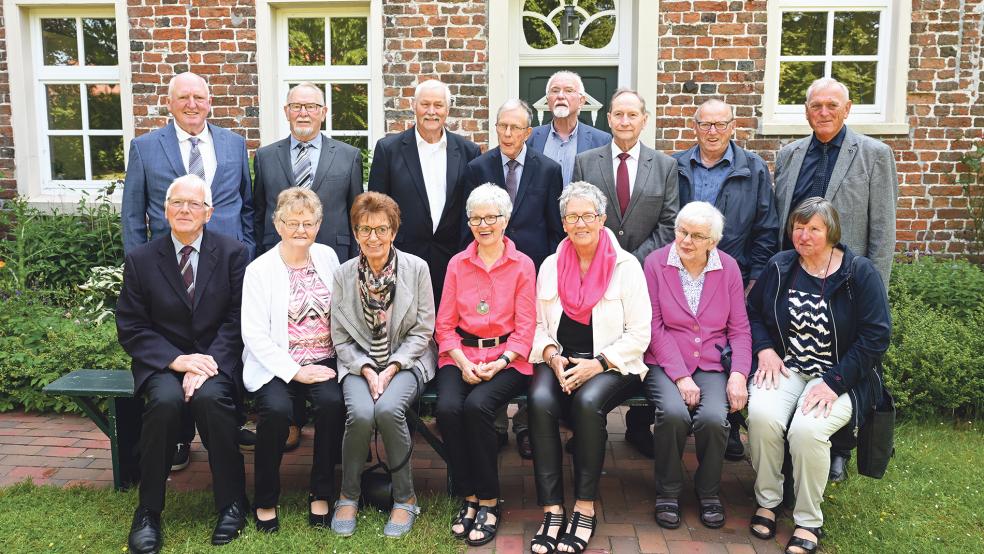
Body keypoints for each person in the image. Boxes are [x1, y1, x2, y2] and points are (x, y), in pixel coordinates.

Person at [121, 71, 256, 468]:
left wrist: (247, 254)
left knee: (230, 340)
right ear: (170, 103)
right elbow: (132, 215)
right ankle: (179, 437)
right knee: (177, 341)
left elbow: (246, 205)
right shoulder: (146, 148)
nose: (192, 104)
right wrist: (138, 267)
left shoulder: (233, 143)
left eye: (199, 96)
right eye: (184, 97)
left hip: (227, 266)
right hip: (170, 270)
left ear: (210, 102)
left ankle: (224, 423)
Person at [745, 198, 891, 554]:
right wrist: (764, 348)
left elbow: (876, 337)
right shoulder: (781, 267)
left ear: (831, 233)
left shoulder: (859, 273)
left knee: (807, 431)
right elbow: (752, 313)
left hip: (840, 375)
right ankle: (768, 500)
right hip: (788, 365)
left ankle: (808, 520)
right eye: (798, 227)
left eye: (813, 229)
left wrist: (834, 382)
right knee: (762, 415)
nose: (803, 235)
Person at [773, 77, 899, 481]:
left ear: (848, 110)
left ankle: (839, 447)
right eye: (816, 106)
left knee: (842, 358)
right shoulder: (789, 153)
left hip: (847, 280)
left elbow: (882, 229)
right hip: (797, 274)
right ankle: (788, 435)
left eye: (832, 105)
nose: (823, 112)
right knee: (798, 358)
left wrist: (872, 288)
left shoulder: (874, 155)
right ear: (806, 111)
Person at [116, 174, 249, 553]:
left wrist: (205, 364)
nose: (185, 210)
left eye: (194, 204)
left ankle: (232, 503)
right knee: (165, 403)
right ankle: (148, 511)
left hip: (215, 361)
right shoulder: (142, 260)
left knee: (211, 401)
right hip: (163, 364)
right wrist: (177, 361)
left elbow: (238, 319)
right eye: (177, 203)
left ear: (209, 213)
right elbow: (131, 326)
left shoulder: (232, 253)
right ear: (165, 210)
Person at [527, 182, 652, 554]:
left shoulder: (627, 266)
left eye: (587, 215)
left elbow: (639, 334)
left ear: (602, 219)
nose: (579, 223)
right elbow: (535, 324)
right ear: (563, 222)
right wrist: (550, 354)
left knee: (586, 404)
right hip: (561, 359)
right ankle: (551, 508)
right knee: (538, 400)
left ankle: (584, 506)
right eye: (572, 216)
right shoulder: (550, 265)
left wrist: (597, 365)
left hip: (613, 363)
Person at [572, 88, 679, 458]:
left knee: (639, 340)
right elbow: (580, 212)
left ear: (644, 120)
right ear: (608, 118)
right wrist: (604, 257)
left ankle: (638, 425)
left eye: (633, 115)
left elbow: (669, 224)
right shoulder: (586, 161)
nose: (625, 121)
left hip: (645, 273)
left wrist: (629, 260)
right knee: (594, 336)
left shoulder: (664, 166)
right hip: (594, 271)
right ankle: (582, 425)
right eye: (618, 114)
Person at [673, 98, 779, 460]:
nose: (713, 131)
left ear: (733, 126)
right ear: (695, 126)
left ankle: (729, 426)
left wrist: (755, 279)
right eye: (705, 124)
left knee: (728, 347)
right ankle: (666, 419)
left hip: (733, 276)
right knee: (677, 336)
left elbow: (767, 229)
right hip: (683, 273)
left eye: (721, 124)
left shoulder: (753, 169)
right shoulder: (677, 166)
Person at [329, 191, 437, 538]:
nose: (372, 237)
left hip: (407, 361)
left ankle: (405, 498)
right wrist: (365, 369)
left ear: (393, 231)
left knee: (389, 409)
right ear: (356, 233)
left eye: (380, 229)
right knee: (360, 413)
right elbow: (340, 337)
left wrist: (391, 367)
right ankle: (348, 494)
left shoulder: (417, 268)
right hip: (358, 364)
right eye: (364, 229)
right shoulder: (344, 275)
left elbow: (423, 330)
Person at [435, 184, 537, 546]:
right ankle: (469, 495)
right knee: (447, 408)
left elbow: (526, 330)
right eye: (476, 218)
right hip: (460, 353)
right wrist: (461, 360)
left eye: (491, 217)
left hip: (509, 359)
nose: (483, 224)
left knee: (478, 407)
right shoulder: (457, 264)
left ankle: (489, 500)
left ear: (505, 220)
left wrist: (501, 362)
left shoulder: (523, 265)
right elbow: (443, 325)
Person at [642, 201, 752, 530]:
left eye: (697, 236)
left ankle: (708, 492)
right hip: (664, 361)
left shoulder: (728, 267)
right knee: (673, 414)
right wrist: (680, 377)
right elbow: (653, 327)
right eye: (682, 232)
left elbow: (740, 329)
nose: (686, 241)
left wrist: (738, 375)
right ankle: (668, 492)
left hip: (712, 364)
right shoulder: (655, 263)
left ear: (713, 242)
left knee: (715, 419)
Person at [241, 187, 343, 532]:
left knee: (332, 405)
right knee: (276, 411)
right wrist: (295, 372)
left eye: (309, 223)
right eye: (293, 222)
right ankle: (266, 499)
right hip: (277, 364)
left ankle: (321, 492)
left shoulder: (328, 257)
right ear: (278, 224)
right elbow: (253, 335)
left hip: (325, 358)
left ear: (319, 224)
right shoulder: (260, 270)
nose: (302, 230)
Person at [367, 79, 482, 305]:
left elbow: (473, 209)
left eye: (438, 105)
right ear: (414, 106)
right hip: (402, 259)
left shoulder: (469, 151)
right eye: (425, 104)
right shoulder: (388, 150)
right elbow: (376, 208)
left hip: (452, 259)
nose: (431, 112)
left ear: (447, 110)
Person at [252, 82, 363, 261]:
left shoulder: (349, 157)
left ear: (324, 112)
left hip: (334, 254)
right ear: (287, 112)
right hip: (277, 256)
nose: (303, 113)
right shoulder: (265, 157)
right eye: (296, 106)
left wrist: (355, 263)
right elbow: (258, 214)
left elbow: (356, 216)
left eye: (311, 106)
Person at [461, 99, 564, 270]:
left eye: (515, 127)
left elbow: (556, 230)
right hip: (488, 265)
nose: (507, 133)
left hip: (534, 265)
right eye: (502, 126)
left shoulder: (549, 170)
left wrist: (552, 270)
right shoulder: (477, 168)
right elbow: (467, 226)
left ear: (528, 133)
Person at [527, 70, 612, 188]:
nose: (560, 96)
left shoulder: (601, 141)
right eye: (555, 91)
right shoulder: (529, 137)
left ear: (581, 101)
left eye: (569, 90)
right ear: (548, 101)